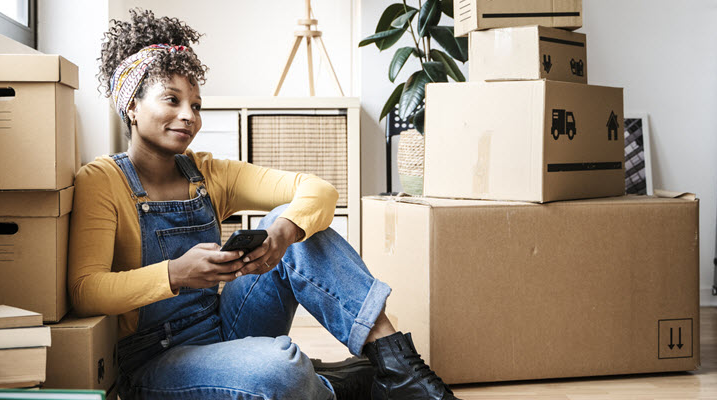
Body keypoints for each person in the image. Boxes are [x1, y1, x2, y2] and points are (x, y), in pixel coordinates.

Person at [69, 9, 459, 400]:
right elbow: (86, 290)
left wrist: (282, 233)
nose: (189, 116)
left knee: (299, 227)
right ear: (132, 107)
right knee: (280, 368)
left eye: (196, 105)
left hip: (223, 327)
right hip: (154, 363)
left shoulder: (207, 172)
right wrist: (175, 273)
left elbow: (318, 190)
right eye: (172, 100)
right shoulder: (101, 180)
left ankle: (402, 375)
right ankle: (331, 386)